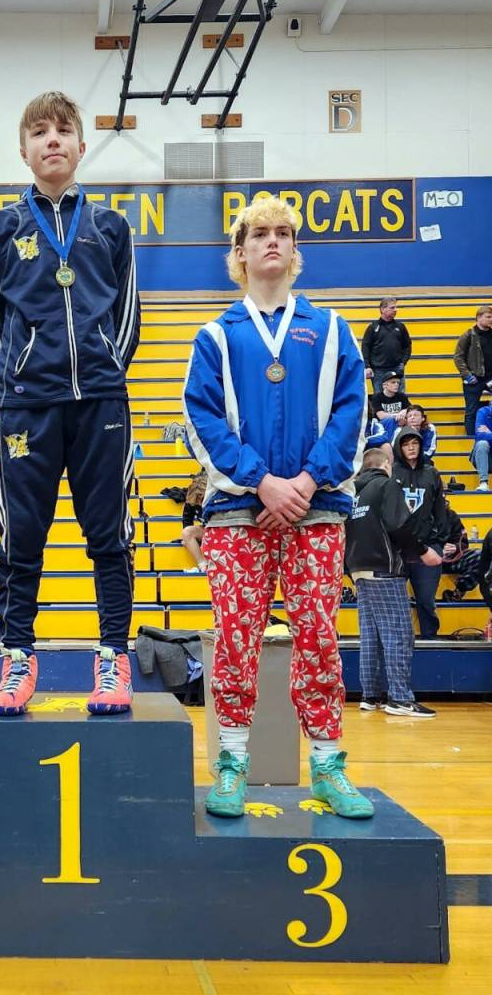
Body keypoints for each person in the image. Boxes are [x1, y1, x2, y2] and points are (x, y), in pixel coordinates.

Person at [182, 193, 372, 819]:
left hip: (316, 509)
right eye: (258, 233)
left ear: (296, 249)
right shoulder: (215, 336)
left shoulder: (335, 329)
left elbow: (352, 412)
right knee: (236, 637)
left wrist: (307, 483)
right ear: (237, 253)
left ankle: (327, 765)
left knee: (317, 634)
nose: (271, 241)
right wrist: (263, 482)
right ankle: (231, 764)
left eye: (282, 232)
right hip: (239, 511)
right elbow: (202, 418)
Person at [0, 90, 139, 716]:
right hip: (27, 408)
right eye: (40, 132)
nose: (53, 140)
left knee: (110, 536)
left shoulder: (110, 227)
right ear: (24, 150)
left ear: (81, 146)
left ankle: (114, 659)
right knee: (19, 537)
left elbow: (128, 313)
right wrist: (11, 389)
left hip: (101, 404)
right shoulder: (0, 228)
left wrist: (107, 370)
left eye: (64, 130)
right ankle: (16, 658)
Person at [345, 448, 438, 718]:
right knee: (398, 635)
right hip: (384, 570)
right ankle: (399, 698)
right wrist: (423, 552)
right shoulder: (386, 485)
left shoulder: (353, 493)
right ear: (386, 464)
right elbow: (398, 526)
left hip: (359, 571)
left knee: (371, 637)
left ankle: (370, 695)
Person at [391, 427, 449, 640]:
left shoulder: (431, 473)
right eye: (406, 444)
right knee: (396, 604)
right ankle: (399, 644)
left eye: (414, 443)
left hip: (428, 547)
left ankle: (430, 641)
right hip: (398, 549)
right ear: (399, 447)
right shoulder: (392, 472)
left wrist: (440, 542)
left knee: (426, 601)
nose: (411, 447)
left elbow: (441, 510)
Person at [453, 305, 492, 437]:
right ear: (478, 317)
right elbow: (458, 357)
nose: (491, 319)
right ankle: (470, 439)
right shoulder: (468, 335)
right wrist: (468, 375)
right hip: (473, 379)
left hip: (490, 378)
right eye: (488, 317)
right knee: (471, 410)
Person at [361, 297, 411, 390]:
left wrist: (403, 362)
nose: (395, 310)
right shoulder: (373, 327)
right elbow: (365, 347)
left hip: (397, 368)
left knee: (400, 398)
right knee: (379, 398)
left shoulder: (400, 327)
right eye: (392, 308)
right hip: (378, 371)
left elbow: (407, 346)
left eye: (396, 307)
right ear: (383, 309)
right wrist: (367, 366)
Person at [181, 470, 207, 572]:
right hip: (208, 530)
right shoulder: (192, 498)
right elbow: (187, 518)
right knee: (186, 533)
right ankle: (202, 565)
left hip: (220, 531)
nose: (199, 502)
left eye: (201, 498)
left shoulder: (214, 499)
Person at [470, 402, 492, 491]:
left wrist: (489, 433)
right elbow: (480, 436)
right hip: (486, 457)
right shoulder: (483, 412)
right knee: (482, 444)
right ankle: (483, 482)